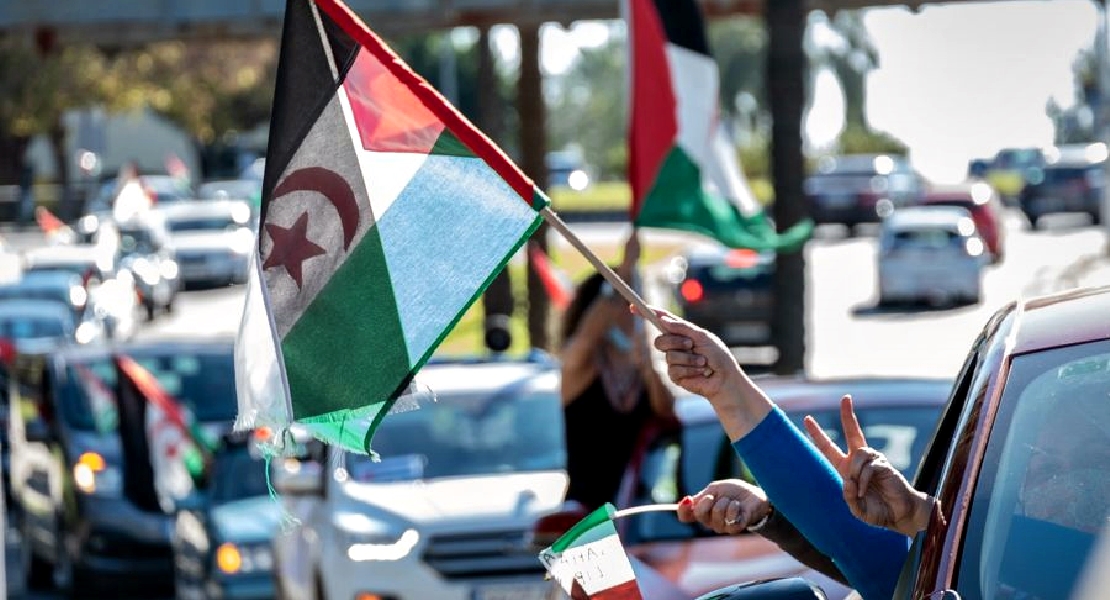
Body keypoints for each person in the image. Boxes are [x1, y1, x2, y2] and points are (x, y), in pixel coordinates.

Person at [645, 306, 917, 600]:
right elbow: (883, 564)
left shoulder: (951, 569)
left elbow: (882, 564)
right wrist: (770, 515)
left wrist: (728, 390)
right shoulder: (952, 558)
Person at [560, 231, 677, 512]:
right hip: (586, 514)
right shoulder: (581, 366)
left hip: (639, 515)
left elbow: (667, 409)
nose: (631, 313)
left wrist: (649, 366)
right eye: (624, 305)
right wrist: (624, 272)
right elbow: (586, 337)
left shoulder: (645, 371)